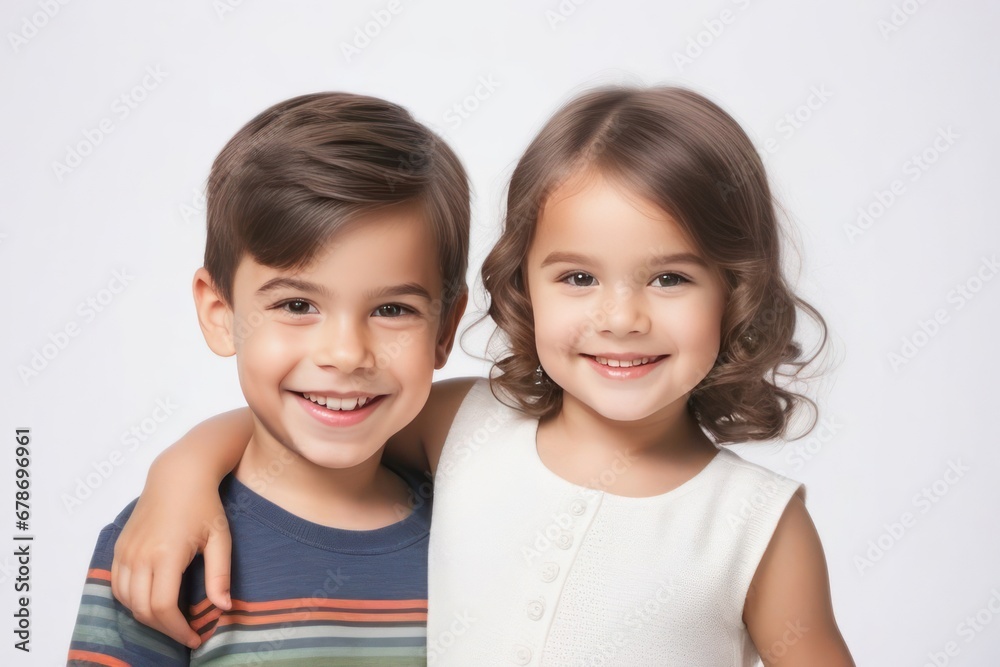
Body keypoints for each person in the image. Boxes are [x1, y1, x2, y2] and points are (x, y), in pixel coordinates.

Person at [110, 86, 855, 665]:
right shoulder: (468, 424)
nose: (622, 318)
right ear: (523, 283)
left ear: (737, 289)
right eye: (579, 277)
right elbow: (320, 415)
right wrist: (180, 473)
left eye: (669, 280)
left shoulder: (758, 524)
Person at [66, 91, 470, 666]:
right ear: (220, 314)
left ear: (444, 329)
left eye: (392, 310)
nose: (345, 353)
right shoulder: (168, 547)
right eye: (298, 305)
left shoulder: (473, 527)